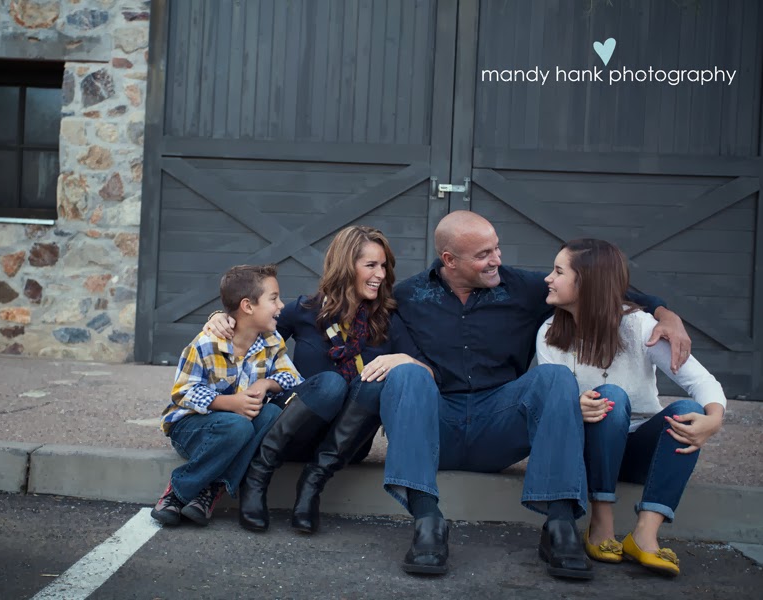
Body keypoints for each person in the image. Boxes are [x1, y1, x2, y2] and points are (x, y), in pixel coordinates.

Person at [325, 211, 692, 579]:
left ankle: (560, 525)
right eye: (484, 254)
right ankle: (427, 522)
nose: (497, 259)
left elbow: (600, 284)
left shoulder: (523, 288)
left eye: (496, 248)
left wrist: (665, 313)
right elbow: (353, 313)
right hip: (438, 425)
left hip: (500, 424)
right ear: (450, 260)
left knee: (554, 378)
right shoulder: (409, 295)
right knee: (405, 373)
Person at [205, 226, 437, 554]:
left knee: (376, 380)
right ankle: (258, 476)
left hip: (347, 446)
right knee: (330, 383)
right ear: (345, 265)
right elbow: (248, 336)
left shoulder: (387, 320)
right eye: (371, 265)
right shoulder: (303, 312)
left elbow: (428, 374)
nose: (380, 275)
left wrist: (401, 359)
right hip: (296, 433)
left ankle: (312, 484)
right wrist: (219, 317)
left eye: (384, 266)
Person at [536, 238, 726, 577]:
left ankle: (645, 535)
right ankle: (601, 526)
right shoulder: (550, 333)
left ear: (588, 283)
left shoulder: (641, 327)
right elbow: (548, 403)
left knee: (685, 407)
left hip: (639, 452)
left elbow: (702, 381)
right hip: (588, 453)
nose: (548, 278)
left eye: (559, 271)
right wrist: (572, 408)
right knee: (611, 396)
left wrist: (714, 419)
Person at [151, 264, 307, 527]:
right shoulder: (207, 343)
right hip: (191, 428)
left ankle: (210, 490)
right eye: (274, 298)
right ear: (248, 306)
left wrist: (268, 383)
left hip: (238, 429)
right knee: (238, 424)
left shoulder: (271, 342)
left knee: (270, 413)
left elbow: (294, 379)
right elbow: (182, 393)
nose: (281, 305)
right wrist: (229, 403)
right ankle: (178, 492)